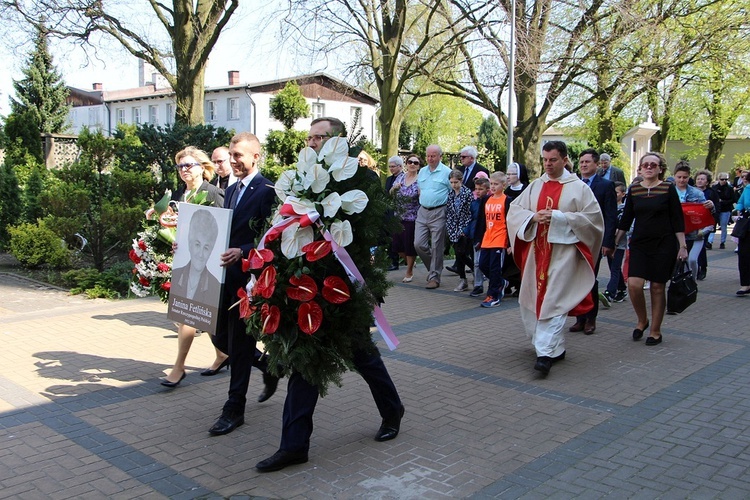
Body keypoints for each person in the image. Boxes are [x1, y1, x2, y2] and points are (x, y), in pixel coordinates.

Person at [255, 117, 403, 473]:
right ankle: (293, 445)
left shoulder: (362, 180)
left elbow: (380, 230)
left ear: (338, 141)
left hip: (344, 285)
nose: (311, 143)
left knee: (363, 356)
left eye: (318, 137)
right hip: (307, 282)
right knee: (305, 360)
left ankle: (392, 409)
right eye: (308, 137)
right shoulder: (301, 178)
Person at [507, 141, 604, 376]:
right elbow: (515, 212)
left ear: (564, 160)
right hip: (536, 253)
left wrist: (560, 218)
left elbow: (593, 220)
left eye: (553, 160)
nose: (548, 164)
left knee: (555, 302)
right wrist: (533, 217)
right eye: (545, 160)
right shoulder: (536, 186)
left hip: (564, 254)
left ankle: (544, 355)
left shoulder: (579, 188)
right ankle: (554, 348)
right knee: (531, 300)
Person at [207, 132, 279, 436]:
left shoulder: (267, 191)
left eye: (239, 155)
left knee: (238, 343)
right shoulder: (232, 189)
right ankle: (267, 365)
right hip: (225, 278)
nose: (234, 161)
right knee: (219, 337)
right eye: (231, 155)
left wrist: (245, 251)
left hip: (249, 283)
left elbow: (275, 237)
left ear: (255, 157)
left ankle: (234, 408)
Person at [162, 146, 227, 387]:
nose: (184, 170)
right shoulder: (181, 195)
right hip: (187, 263)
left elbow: (223, 228)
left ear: (203, 168)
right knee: (195, 313)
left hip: (207, 265)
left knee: (188, 314)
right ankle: (222, 354)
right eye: (180, 166)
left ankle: (178, 367)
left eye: (189, 165)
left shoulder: (213, 193)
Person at [616, 152, 688, 346]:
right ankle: (642, 319)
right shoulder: (634, 189)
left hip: (664, 244)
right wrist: (615, 242)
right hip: (639, 243)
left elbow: (677, 219)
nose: (649, 167)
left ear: (660, 169)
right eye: (645, 164)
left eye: (653, 165)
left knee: (657, 287)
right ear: (640, 168)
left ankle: (655, 330)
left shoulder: (667, 188)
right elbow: (626, 218)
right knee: (634, 284)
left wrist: (682, 245)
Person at [569, 149, 617, 335]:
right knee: (575, 279)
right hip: (574, 239)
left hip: (594, 240)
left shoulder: (605, 186)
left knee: (590, 278)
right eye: (581, 162)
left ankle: (591, 318)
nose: (583, 165)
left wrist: (608, 241)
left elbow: (610, 216)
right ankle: (579, 318)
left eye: (587, 162)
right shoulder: (574, 185)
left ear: (596, 164)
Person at [415, 144, 451, 289]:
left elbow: (453, 191)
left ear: (440, 156)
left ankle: (434, 277)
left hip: (439, 211)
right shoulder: (422, 171)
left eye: (433, 155)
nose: (430, 158)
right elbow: (420, 189)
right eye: (428, 155)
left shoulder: (447, 172)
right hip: (422, 211)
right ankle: (434, 268)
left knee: (437, 246)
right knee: (418, 244)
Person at [673, 162, 712, 280]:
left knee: (691, 259)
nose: (682, 180)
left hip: (693, 233)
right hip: (674, 231)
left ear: (689, 177)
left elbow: (705, 213)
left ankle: (691, 281)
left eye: (685, 177)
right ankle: (678, 282)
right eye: (679, 177)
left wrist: (711, 206)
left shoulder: (697, 193)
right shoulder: (669, 191)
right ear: (674, 176)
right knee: (676, 261)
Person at [477, 171, 510, 307]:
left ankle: (493, 296)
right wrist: (478, 239)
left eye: (496, 184)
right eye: (491, 183)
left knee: (495, 268)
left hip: (500, 239)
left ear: (504, 185)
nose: (493, 187)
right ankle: (500, 282)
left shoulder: (507, 200)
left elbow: (510, 222)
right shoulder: (486, 199)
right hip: (487, 239)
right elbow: (481, 220)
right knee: (482, 265)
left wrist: (509, 243)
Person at [389, 154, 420, 282]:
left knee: (409, 246)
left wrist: (421, 193)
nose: (412, 164)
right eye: (410, 162)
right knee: (397, 246)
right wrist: (394, 189)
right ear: (406, 164)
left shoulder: (420, 180)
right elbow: (391, 193)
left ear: (419, 166)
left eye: (415, 163)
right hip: (398, 216)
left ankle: (409, 271)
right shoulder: (401, 177)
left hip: (412, 217)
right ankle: (410, 262)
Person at [445, 169, 474, 292]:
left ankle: (475, 270)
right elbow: (450, 212)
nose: (454, 185)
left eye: (456, 182)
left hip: (464, 227)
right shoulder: (451, 194)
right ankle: (463, 279)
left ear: (461, 181)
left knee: (462, 253)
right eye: (451, 182)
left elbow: (470, 212)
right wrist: (450, 227)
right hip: (453, 227)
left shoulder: (467, 193)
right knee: (458, 254)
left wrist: (465, 229)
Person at [604, 181, 628, 303]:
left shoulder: (624, 209)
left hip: (619, 245)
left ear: (623, 194)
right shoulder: (609, 208)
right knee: (613, 267)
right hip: (610, 243)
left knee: (615, 268)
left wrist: (617, 237)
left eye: (617, 192)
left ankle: (609, 293)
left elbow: (625, 226)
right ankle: (622, 289)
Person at [466, 176, 490, 297]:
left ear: (487, 189)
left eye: (481, 189)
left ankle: (493, 284)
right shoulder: (474, 203)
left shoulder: (489, 202)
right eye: (476, 189)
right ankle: (478, 285)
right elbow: (471, 219)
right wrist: (466, 231)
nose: (477, 191)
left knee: (486, 262)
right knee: (476, 262)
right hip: (476, 235)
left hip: (488, 235)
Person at [694, 169, 719, 279]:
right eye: (698, 179)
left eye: (702, 179)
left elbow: (716, 208)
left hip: (706, 224)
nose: (699, 181)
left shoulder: (711, 193)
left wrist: (713, 224)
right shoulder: (691, 191)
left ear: (707, 182)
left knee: (702, 246)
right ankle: (694, 267)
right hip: (694, 222)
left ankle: (702, 268)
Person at [384, 157, 404, 271]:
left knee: (397, 238)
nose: (391, 169)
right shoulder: (388, 179)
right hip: (389, 211)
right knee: (390, 238)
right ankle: (392, 260)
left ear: (400, 166)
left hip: (399, 211)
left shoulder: (403, 178)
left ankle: (398, 261)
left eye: (393, 166)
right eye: (390, 166)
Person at [735, 171, 750, 295]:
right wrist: (738, 210)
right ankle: (745, 284)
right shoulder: (747, 189)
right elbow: (740, 202)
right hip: (747, 222)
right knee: (743, 253)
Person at [712, 172, 734, 249]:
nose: (724, 181)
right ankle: (710, 241)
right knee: (712, 225)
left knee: (723, 226)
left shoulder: (730, 188)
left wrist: (723, 201)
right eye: (722, 179)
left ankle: (722, 242)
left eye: (726, 179)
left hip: (726, 209)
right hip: (716, 209)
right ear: (719, 179)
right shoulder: (714, 188)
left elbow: (733, 199)